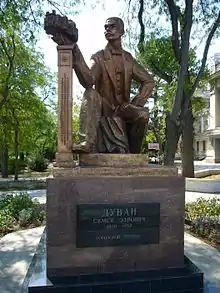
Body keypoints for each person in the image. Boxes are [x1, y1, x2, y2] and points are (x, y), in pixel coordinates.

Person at [47, 15, 155, 153]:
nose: (108, 29)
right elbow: (88, 80)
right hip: (104, 107)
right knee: (90, 93)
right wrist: (75, 51)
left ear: (122, 31)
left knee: (143, 114)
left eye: (112, 26)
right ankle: (87, 142)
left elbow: (149, 81)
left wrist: (135, 104)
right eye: (106, 27)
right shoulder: (99, 57)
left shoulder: (129, 59)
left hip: (124, 109)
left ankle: (134, 153)